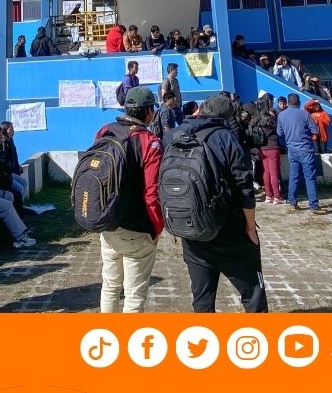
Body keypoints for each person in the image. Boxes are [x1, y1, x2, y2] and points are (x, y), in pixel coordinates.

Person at [170, 94, 267, 312]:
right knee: (253, 292)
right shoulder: (226, 137)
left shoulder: (174, 135)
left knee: (202, 299)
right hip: (228, 228)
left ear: (201, 108)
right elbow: (244, 186)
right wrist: (250, 227)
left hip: (191, 228)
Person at [94, 87, 164, 312]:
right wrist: (156, 228)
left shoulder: (105, 131)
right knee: (134, 296)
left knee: (110, 287)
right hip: (136, 227)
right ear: (148, 112)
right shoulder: (149, 141)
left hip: (107, 221)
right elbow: (151, 193)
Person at [277, 93, 323, 214]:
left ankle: (293, 203)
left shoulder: (281, 115)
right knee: (310, 177)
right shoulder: (305, 114)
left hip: (291, 149)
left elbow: (280, 133)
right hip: (306, 148)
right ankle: (313, 206)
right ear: (299, 102)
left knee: (294, 176)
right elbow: (315, 131)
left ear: (287, 102)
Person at [254, 96, 282, 205]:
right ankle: (277, 196)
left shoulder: (257, 118)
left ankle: (268, 195)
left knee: (266, 172)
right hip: (272, 146)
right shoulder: (271, 118)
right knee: (274, 173)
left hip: (262, 148)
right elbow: (279, 131)